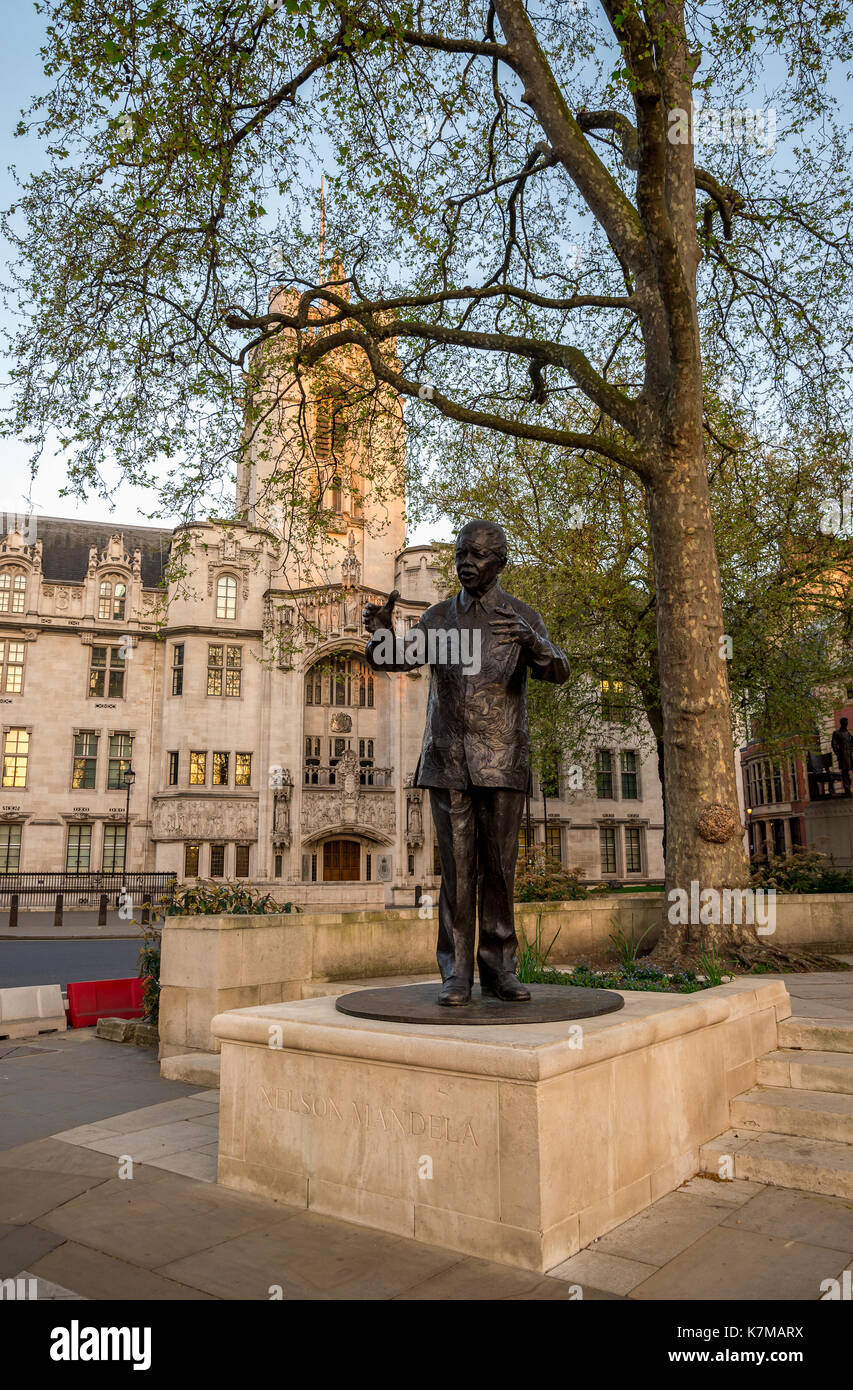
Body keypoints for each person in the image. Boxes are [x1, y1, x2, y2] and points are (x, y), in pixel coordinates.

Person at [363, 520, 570, 1006]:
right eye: (461, 554)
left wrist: (535, 643)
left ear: (499, 562)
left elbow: (559, 670)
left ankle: (501, 969)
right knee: (455, 873)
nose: (466, 564)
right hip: (448, 758)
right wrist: (378, 632)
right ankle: (456, 973)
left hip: (502, 760)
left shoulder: (521, 617)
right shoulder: (437, 619)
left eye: (477, 556)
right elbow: (393, 660)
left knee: (499, 869)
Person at [831, 716, 853, 797]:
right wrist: (839, 753)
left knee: (847, 774)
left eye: (847, 722)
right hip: (843, 755)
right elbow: (834, 744)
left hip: (850, 754)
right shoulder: (837, 733)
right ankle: (847, 790)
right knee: (845, 773)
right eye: (845, 722)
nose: (847, 724)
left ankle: (848, 789)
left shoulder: (848, 733)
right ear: (842, 723)